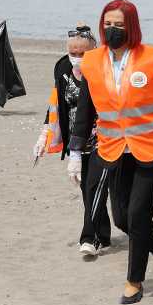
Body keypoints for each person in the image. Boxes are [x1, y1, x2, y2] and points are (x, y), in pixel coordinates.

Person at [67, 0, 153, 305]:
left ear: (131, 26)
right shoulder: (91, 61)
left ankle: (134, 281)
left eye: (119, 24)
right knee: (120, 218)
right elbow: (85, 109)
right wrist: (75, 151)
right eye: (108, 23)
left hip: (151, 150)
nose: (112, 29)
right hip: (112, 150)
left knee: (137, 216)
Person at [31, 25, 124, 258]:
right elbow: (56, 103)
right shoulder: (62, 67)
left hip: (104, 139)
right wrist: (45, 135)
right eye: (73, 52)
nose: (77, 57)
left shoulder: (106, 67)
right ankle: (102, 235)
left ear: (95, 49)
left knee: (95, 187)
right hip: (76, 140)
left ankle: (88, 237)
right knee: (87, 191)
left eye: (83, 53)